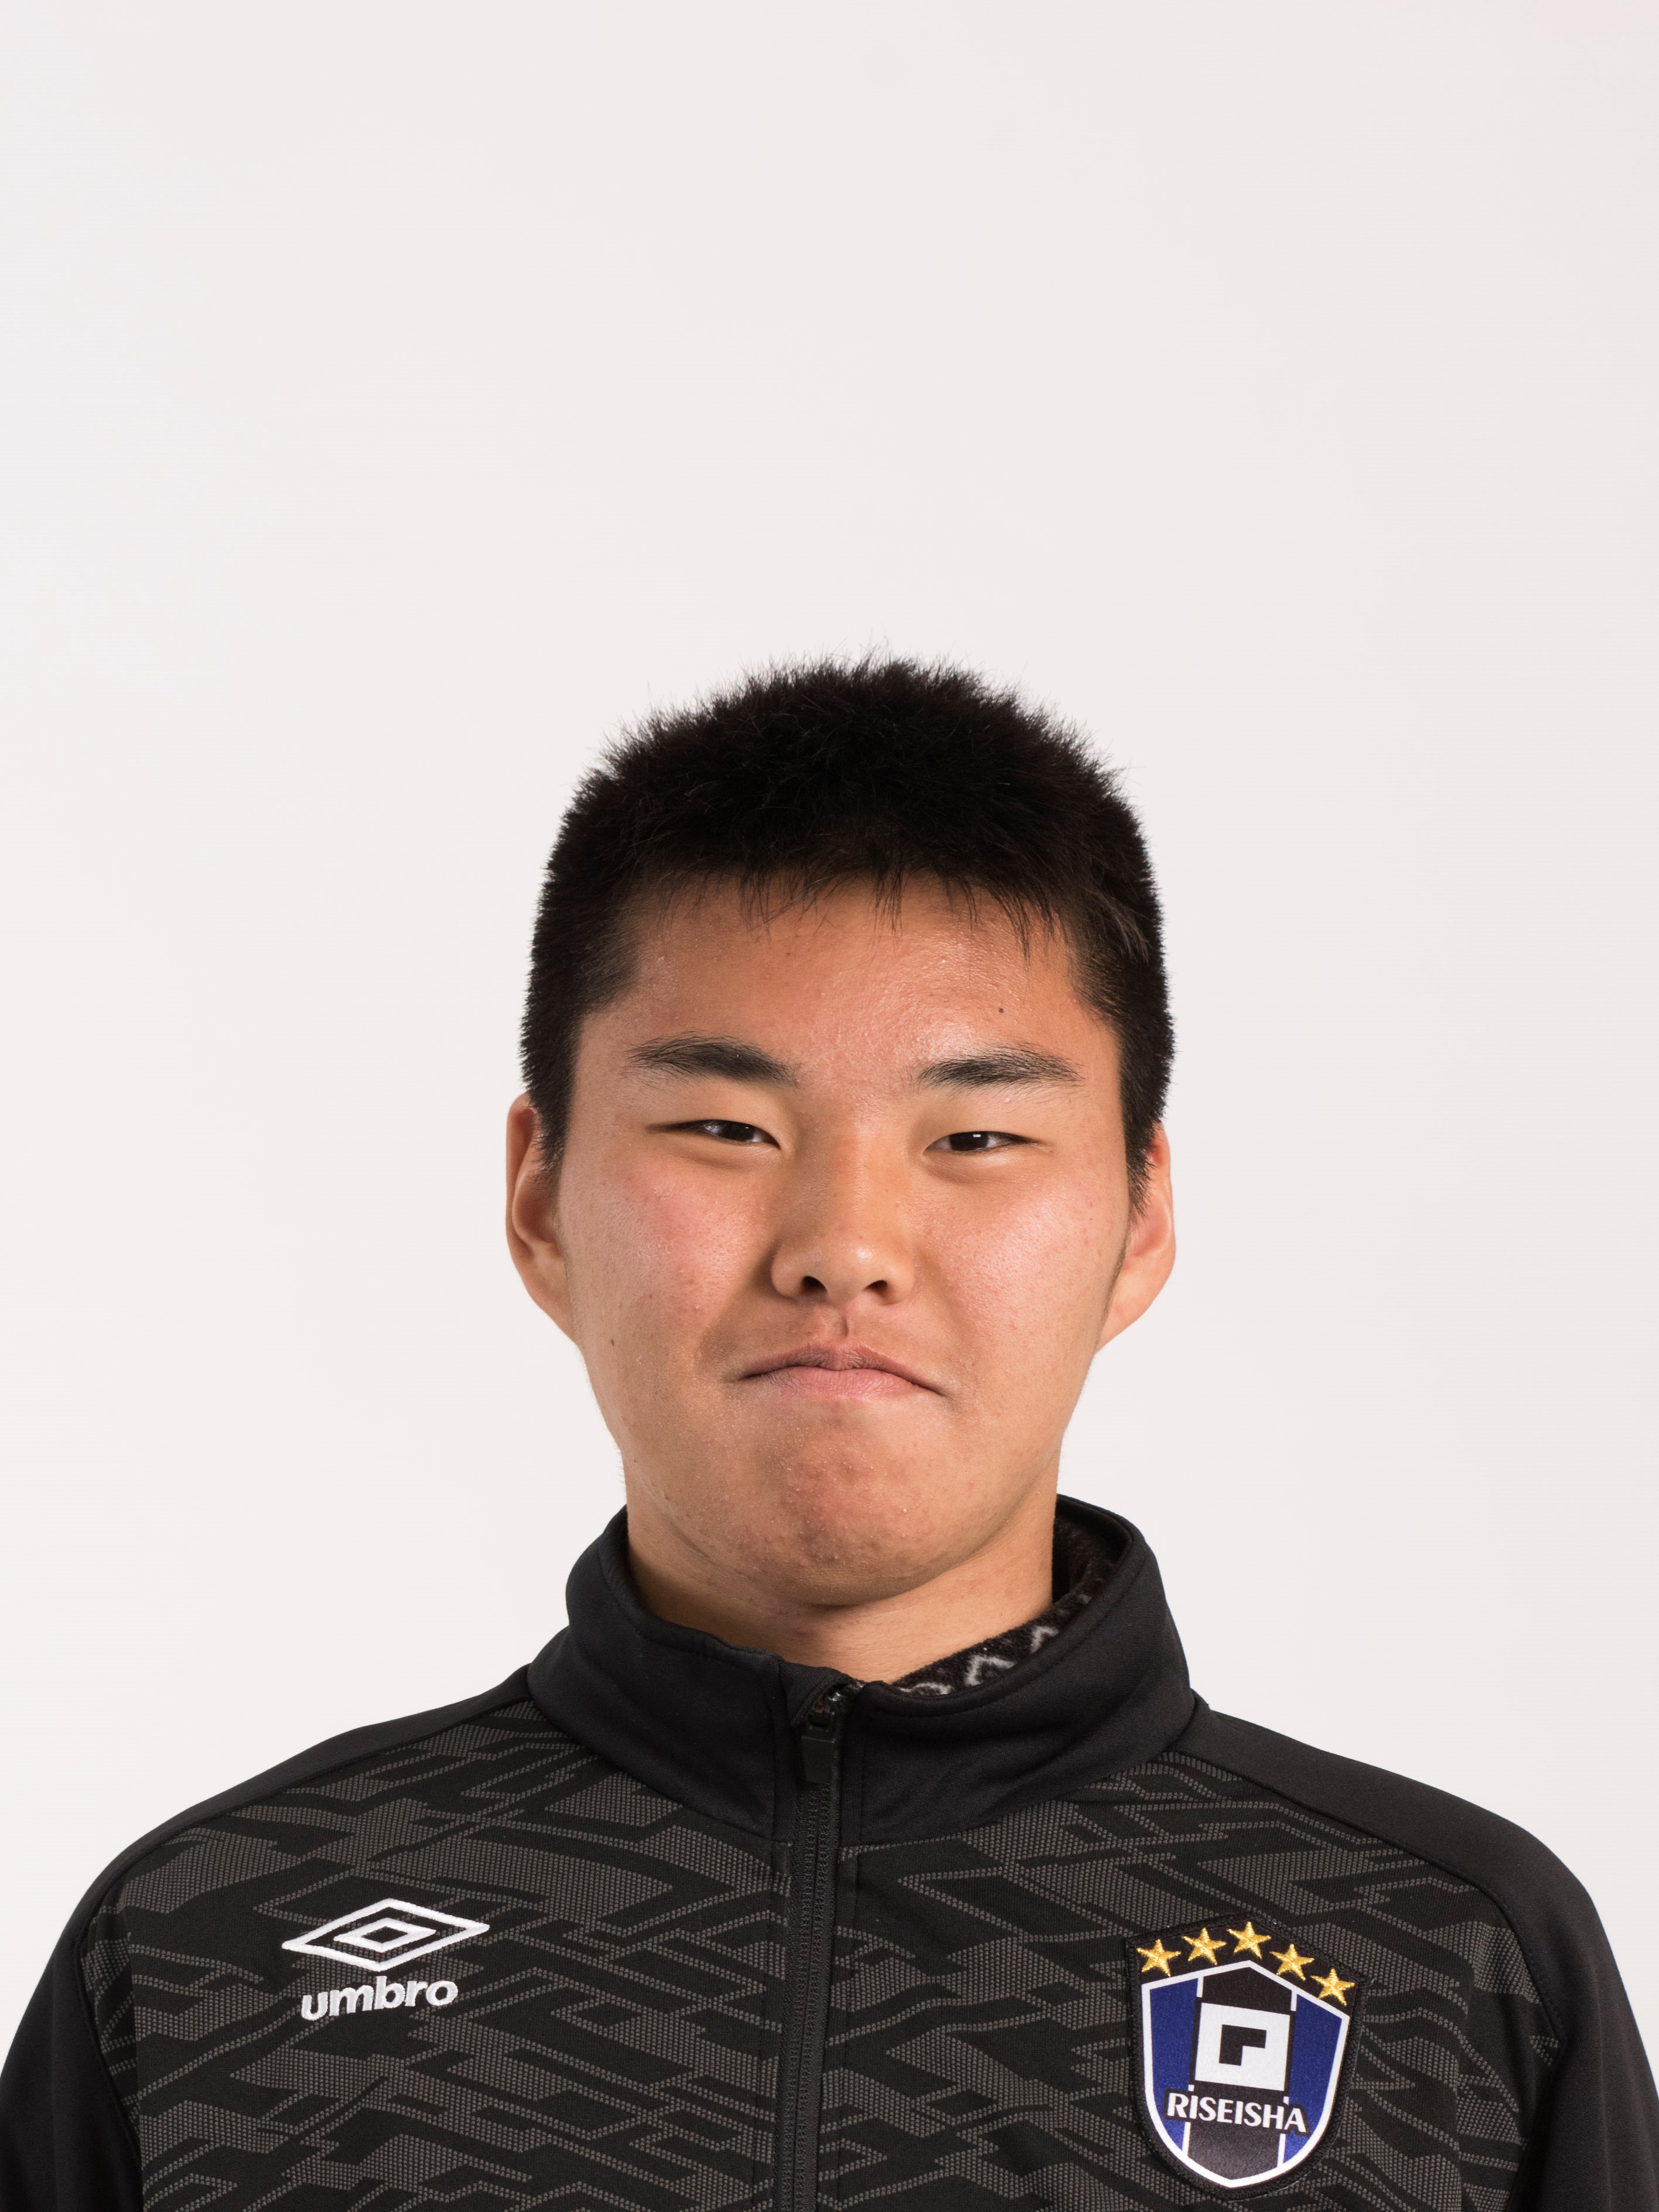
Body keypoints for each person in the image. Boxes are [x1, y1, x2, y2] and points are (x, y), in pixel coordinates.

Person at [1, 658, 1653, 2209]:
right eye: (726, 1126)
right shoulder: (210, 1946)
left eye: (976, 1136)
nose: (844, 1245)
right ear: (541, 1198)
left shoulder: (1452, 1962)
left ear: (1139, 1216)